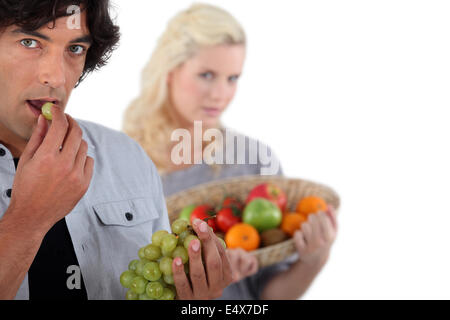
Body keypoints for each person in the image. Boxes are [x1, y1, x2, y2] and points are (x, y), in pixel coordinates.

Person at [0, 0, 232, 300]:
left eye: (75, 49)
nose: (56, 78)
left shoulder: (127, 158)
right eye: (30, 42)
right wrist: (29, 219)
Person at [123, 3, 338, 300]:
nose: (220, 94)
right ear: (170, 70)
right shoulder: (122, 160)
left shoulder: (252, 161)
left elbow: (270, 295)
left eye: (232, 78)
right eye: (207, 75)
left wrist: (313, 262)